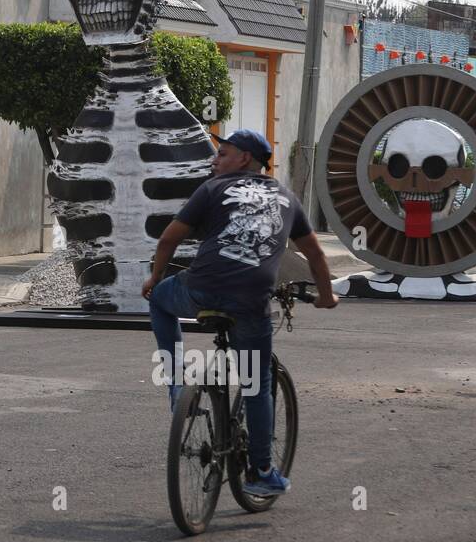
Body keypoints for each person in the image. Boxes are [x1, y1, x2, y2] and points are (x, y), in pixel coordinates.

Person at [142, 129, 338, 498]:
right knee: (256, 384)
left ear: (245, 158)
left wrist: (155, 277)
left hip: (199, 290)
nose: (214, 160)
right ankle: (261, 472)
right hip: (250, 303)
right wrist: (326, 295)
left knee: (158, 299)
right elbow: (315, 255)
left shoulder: (212, 190)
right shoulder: (287, 197)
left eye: (223, 153)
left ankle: (176, 382)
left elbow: (168, 239)